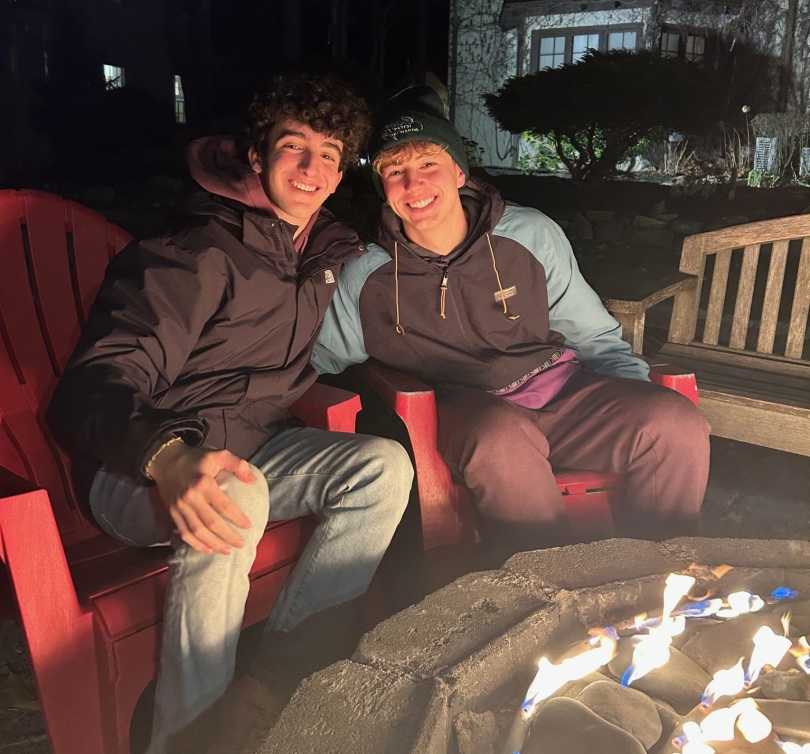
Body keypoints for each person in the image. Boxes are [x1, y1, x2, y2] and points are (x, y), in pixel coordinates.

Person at [47, 74, 412, 754]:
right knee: (233, 489)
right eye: (293, 147)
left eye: (330, 153)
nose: (313, 168)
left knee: (382, 465)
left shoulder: (318, 253)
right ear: (253, 154)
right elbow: (93, 383)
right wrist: (169, 456)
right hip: (137, 470)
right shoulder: (191, 253)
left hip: (251, 446)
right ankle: (193, 739)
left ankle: (275, 690)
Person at [312, 84, 710, 560]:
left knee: (675, 423)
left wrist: (633, 400)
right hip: (467, 415)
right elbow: (321, 358)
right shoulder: (366, 271)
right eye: (395, 172)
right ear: (382, 188)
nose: (413, 184)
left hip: (561, 395)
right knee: (500, 439)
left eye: (428, 165)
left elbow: (593, 334)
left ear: (458, 172)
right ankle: (545, 595)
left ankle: (653, 579)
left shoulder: (529, 234)